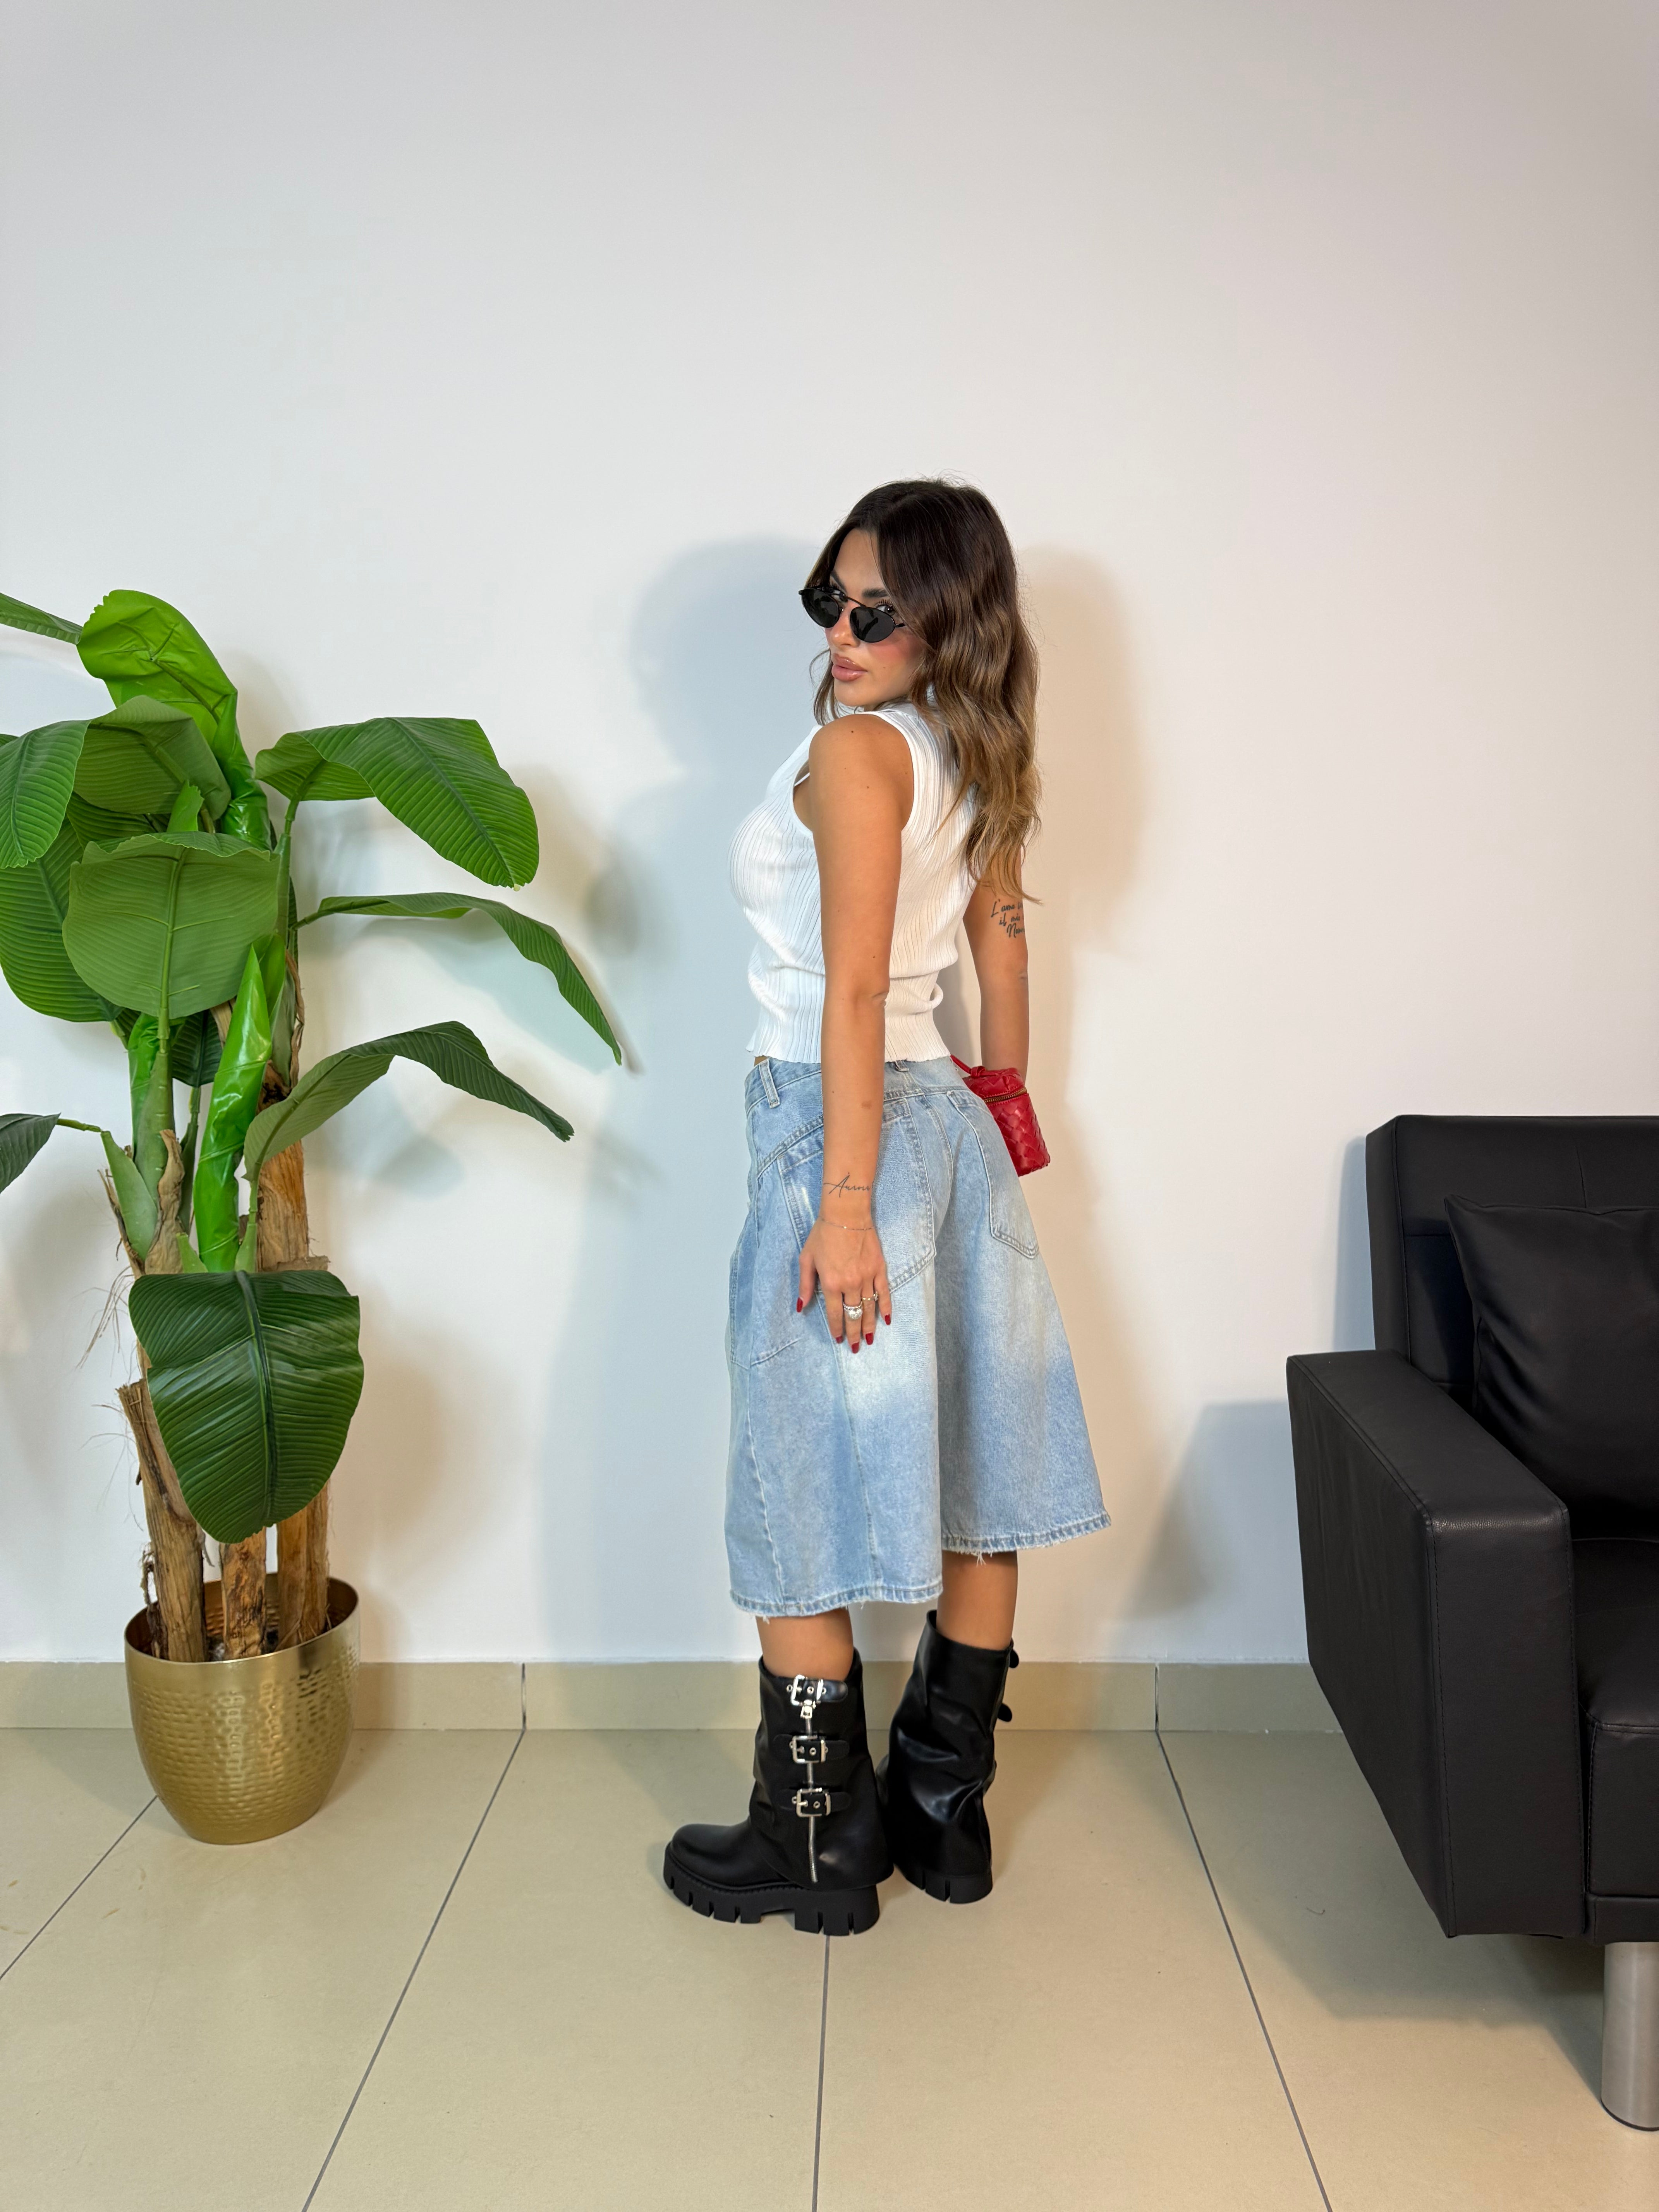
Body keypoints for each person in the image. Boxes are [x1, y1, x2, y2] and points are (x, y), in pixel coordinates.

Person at [663, 480, 1106, 1936]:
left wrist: (845, 1203)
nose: (843, 636)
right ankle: (941, 1816)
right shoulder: (981, 748)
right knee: (978, 1466)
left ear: (945, 622)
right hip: (949, 1120)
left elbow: (852, 989)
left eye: (876, 613)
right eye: (829, 603)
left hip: (831, 1122)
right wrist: (999, 1110)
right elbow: (1002, 951)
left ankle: (812, 1839)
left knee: (793, 1477)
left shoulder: (856, 752)